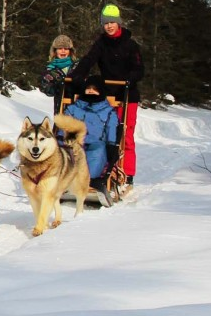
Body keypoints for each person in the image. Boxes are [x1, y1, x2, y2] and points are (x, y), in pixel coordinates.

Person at [70, 3, 144, 191]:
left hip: (128, 95)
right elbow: (89, 60)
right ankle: (104, 171)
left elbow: (139, 69)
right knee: (105, 133)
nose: (109, 26)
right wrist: (77, 75)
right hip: (109, 95)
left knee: (125, 134)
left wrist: (130, 79)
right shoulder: (101, 43)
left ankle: (127, 174)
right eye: (106, 23)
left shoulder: (130, 44)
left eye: (112, 22)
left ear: (118, 23)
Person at [65, 75, 119, 206]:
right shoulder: (73, 108)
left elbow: (112, 130)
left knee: (97, 152)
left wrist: (112, 147)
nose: (90, 91)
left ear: (100, 91)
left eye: (94, 89)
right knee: (69, 155)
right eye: (88, 88)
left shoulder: (108, 111)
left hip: (96, 143)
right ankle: (67, 180)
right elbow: (64, 126)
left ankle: (91, 180)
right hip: (75, 142)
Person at [40, 35, 78, 113]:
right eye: (60, 48)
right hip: (60, 107)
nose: (63, 51)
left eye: (66, 49)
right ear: (55, 51)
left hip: (77, 107)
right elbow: (47, 91)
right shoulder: (50, 69)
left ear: (70, 51)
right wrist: (55, 84)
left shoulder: (77, 66)